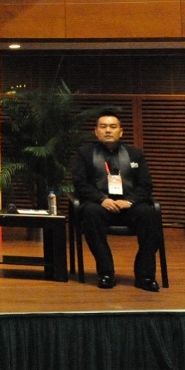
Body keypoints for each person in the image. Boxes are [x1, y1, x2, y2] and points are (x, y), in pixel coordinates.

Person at [71, 110, 164, 292]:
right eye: (103, 127)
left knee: (149, 215)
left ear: (121, 132)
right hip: (100, 206)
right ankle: (106, 273)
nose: (108, 130)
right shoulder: (85, 153)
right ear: (96, 131)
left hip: (129, 206)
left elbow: (146, 185)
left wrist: (130, 201)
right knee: (90, 213)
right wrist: (102, 199)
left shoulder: (135, 154)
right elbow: (80, 184)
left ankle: (145, 276)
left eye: (113, 127)